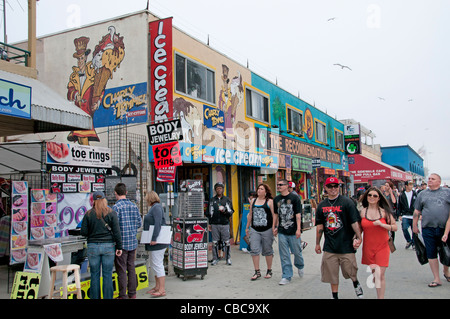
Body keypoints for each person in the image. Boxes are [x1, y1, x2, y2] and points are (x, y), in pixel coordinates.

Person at [315, 177, 363, 299]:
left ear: (339, 187)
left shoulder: (347, 202)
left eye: (335, 186)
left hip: (346, 245)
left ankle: (355, 283)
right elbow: (320, 226)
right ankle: (335, 296)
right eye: (330, 186)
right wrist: (317, 243)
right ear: (325, 188)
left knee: (350, 270)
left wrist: (358, 237)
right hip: (330, 246)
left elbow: (354, 222)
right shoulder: (321, 206)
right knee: (332, 274)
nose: (333, 189)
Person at [80, 191, 122, 299]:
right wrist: (119, 247)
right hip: (108, 247)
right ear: (104, 200)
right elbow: (117, 232)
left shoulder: (88, 214)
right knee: (107, 275)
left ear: (93, 201)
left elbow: (83, 232)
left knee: (94, 275)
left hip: (93, 247)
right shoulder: (111, 213)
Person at [357, 187, 397, 299]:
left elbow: (395, 227)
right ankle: (379, 292)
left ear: (379, 198)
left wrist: (383, 225)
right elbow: (359, 230)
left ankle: (381, 297)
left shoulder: (384, 212)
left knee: (380, 274)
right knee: (376, 275)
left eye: (375, 196)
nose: (372, 197)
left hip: (383, 246)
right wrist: (356, 240)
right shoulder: (362, 212)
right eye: (370, 195)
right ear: (366, 197)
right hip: (369, 247)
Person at [413, 173, 450, 287]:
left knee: (446, 251)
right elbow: (417, 211)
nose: (429, 180)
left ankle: (446, 271)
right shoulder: (422, 194)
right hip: (428, 228)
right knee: (431, 252)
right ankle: (436, 278)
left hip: (444, 228)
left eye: (433, 179)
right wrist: (414, 225)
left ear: (439, 181)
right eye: (429, 179)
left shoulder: (447, 192)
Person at [113, 183, 142, 299]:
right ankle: (132, 293)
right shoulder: (134, 206)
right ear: (126, 192)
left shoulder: (116, 208)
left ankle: (122, 295)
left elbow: (114, 226)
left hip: (121, 244)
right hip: (132, 242)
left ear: (115, 193)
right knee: (131, 267)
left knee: (121, 270)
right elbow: (139, 223)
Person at [273, 179, 304, 285]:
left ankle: (300, 265)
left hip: (294, 230)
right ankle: (286, 275)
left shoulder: (295, 198)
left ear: (287, 186)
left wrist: (299, 229)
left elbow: (298, 214)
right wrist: (274, 226)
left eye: (281, 184)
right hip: (282, 230)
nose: (279, 186)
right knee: (284, 254)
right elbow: (276, 214)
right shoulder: (276, 199)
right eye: (278, 185)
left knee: (297, 252)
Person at [245, 183, 275, 280]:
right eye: (258, 189)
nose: (259, 190)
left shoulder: (270, 202)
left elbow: (274, 215)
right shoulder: (253, 201)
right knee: (254, 249)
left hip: (267, 229)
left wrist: (274, 227)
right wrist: (247, 227)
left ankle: (269, 270)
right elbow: (250, 214)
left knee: (267, 250)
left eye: (261, 189)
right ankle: (257, 271)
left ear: (266, 192)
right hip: (255, 229)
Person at [144, 191, 169, 297]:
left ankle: (162, 289)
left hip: (158, 242)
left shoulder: (157, 207)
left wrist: (154, 238)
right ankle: (157, 286)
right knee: (155, 264)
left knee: (158, 264)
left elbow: (158, 223)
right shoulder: (155, 208)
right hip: (155, 241)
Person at [208, 182, 234, 265]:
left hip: (224, 224)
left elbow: (231, 212)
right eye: (217, 188)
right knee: (214, 242)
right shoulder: (212, 200)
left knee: (226, 242)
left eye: (220, 188)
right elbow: (209, 213)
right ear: (215, 190)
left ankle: (228, 258)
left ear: (223, 189)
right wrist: (209, 223)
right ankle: (215, 258)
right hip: (214, 224)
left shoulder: (227, 200)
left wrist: (225, 211)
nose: (219, 189)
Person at [397, 181, 417, 249]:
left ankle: (414, 243)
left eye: (412, 185)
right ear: (406, 186)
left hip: (414, 214)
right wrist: (399, 214)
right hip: (405, 214)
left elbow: (418, 204)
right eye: (410, 185)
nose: (411, 186)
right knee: (404, 228)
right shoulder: (402, 195)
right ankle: (409, 240)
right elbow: (399, 205)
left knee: (414, 230)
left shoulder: (415, 194)